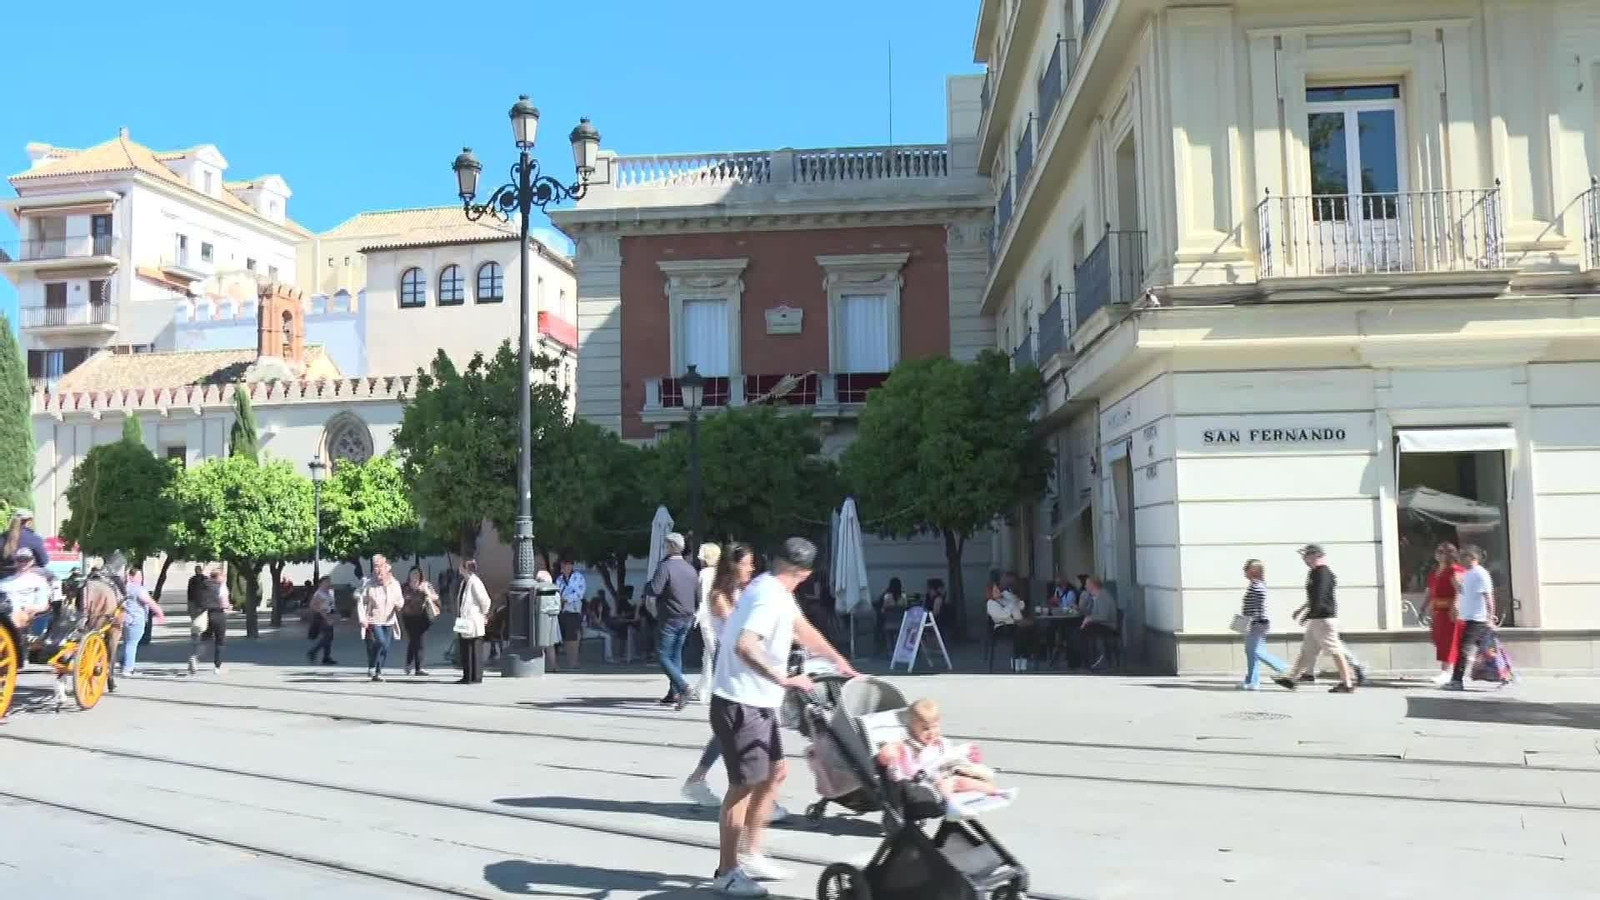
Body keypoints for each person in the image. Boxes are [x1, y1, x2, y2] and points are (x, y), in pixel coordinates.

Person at [709, 538, 856, 897]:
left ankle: (751, 853)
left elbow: (802, 630)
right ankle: (727, 872)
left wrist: (838, 661)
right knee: (743, 787)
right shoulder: (768, 596)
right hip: (740, 702)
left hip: (757, 702)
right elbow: (745, 644)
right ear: (804, 574)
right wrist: (783, 679)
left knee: (775, 773)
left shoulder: (773, 588)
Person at [876, 698, 1013, 808]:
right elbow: (903, 766)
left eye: (935, 727)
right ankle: (951, 804)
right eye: (925, 729)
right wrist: (890, 755)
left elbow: (950, 754)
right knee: (947, 785)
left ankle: (996, 792)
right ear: (913, 727)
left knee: (966, 781)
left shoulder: (939, 742)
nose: (931, 732)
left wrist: (966, 754)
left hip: (948, 773)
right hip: (929, 781)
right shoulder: (909, 746)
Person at [1275, 545, 1356, 693]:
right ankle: (1291, 679)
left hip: (1323, 618)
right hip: (1317, 618)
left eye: (1306, 556)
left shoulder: (1322, 573)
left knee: (1335, 650)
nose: (1304, 559)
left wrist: (1308, 614)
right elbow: (1314, 597)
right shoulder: (1315, 573)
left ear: (1315, 556)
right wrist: (1302, 610)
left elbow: (1321, 596)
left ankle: (1347, 683)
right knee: (1307, 650)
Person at [647, 533, 699, 710]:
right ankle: (674, 692)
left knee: (662, 655)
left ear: (670, 546)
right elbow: (696, 594)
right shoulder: (690, 568)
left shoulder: (665, 566)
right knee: (676, 654)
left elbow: (655, 589)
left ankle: (683, 688)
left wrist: (647, 585)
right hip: (687, 617)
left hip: (670, 616)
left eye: (666, 545)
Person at [1443, 545, 1495, 691]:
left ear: (1473, 557)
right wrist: (1456, 584)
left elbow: (1488, 597)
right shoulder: (1468, 573)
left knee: (1463, 649)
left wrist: (1490, 618)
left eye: (1463, 556)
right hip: (1469, 618)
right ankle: (1506, 674)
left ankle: (1457, 681)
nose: (1460, 560)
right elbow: (1465, 594)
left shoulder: (1480, 574)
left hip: (1477, 620)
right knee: (1488, 649)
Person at [1237, 560, 1288, 690]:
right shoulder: (1254, 585)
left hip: (1257, 623)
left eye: (1246, 568)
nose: (1244, 571)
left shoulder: (1257, 586)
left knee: (1256, 651)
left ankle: (1283, 667)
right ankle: (1252, 681)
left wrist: (1253, 621)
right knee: (1251, 653)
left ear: (1253, 570)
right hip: (1253, 623)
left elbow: (1260, 607)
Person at [357, 554, 404, 682]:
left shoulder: (394, 584)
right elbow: (362, 602)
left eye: (380, 567)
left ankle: (378, 672)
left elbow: (400, 599)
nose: (378, 571)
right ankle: (372, 664)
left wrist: (399, 605)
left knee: (385, 647)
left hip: (389, 620)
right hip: (374, 619)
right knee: (381, 642)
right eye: (375, 567)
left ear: (387, 568)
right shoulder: (369, 584)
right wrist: (362, 618)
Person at [1427, 542, 1465, 685]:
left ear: (1450, 554)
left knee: (1450, 641)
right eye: (1438, 551)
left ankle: (1447, 672)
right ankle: (1448, 671)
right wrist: (1425, 607)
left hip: (1450, 611)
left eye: (1443, 552)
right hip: (1439, 611)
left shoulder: (1455, 570)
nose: (1439, 554)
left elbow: (1459, 590)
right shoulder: (1436, 571)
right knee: (1441, 641)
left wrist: (1455, 606)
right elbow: (1431, 591)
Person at [116, 569, 164, 676]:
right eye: (138, 576)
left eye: (141, 576)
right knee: (132, 644)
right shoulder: (138, 589)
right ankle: (128, 668)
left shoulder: (122, 589)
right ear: (131, 577)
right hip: (136, 620)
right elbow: (149, 602)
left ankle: (123, 662)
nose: (140, 579)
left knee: (127, 642)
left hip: (124, 620)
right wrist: (159, 613)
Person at [693, 542, 723, 702]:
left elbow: (703, 599)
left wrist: (700, 616)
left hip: (708, 618)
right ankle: (703, 688)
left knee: (712, 653)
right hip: (719, 617)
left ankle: (713, 689)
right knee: (709, 654)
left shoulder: (704, 574)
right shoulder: (721, 573)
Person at [186, 566, 229, 675]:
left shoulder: (203, 585)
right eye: (223, 576)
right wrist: (228, 607)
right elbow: (224, 603)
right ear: (219, 576)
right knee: (220, 642)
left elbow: (196, 599)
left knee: (205, 639)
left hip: (205, 615)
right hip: (218, 614)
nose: (224, 578)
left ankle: (195, 657)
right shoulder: (221, 586)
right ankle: (217, 667)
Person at [454, 559, 492, 684]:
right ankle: (467, 676)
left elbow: (485, 601)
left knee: (474, 647)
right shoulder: (464, 582)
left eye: (461, 566)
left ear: (466, 568)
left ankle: (476, 676)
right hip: (463, 619)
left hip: (473, 619)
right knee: (464, 647)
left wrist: (483, 614)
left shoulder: (475, 582)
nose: (459, 568)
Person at [0, 547, 54, 633]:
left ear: (32, 561)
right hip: (5, 611)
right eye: (20, 560)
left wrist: (31, 609)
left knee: (16, 613)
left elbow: (43, 605)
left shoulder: (39, 581)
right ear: (15, 561)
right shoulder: (5, 581)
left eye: (26, 560)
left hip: (25, 615)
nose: (23, 563)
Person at [400, 566, 440, 677]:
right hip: (408, 617)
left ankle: (417, 667)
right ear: (409, 575)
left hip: (422, 617)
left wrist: (426, 592)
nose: (415, 576)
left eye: (417, 574)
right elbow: (398, 599)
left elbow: (436, 598)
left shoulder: (426, 585)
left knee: (418, 641)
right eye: (413, 573)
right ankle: (411, 664)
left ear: (421, 575)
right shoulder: (404, 587)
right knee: (414, 640)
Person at [1079, 577, 1119, 671]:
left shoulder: (1103, 596)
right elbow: (1093, 613)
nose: (1085, 586)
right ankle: (1087, 661)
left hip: (1109, 627)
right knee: (1082, 630)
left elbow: (1104, 616)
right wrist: (1082, 608)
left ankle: (1090, 662)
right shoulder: (1097, 596)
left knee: (1084, 631)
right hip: (1103, 625)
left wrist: (1089, 619)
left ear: (1093, 585)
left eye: (1087, 584)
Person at [556, 559, 588, 670]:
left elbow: (579, 594)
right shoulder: (559, 579)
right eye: (562, 565)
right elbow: (557, 592)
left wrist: (565, 599)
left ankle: (574, 662)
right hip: (562, 611)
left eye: (566, 565)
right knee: (565, 638)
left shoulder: (578, 577)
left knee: (573, 637)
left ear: (571, 566)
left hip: (573, 611)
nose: (564, 567)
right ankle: (569, 661)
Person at [1, 509, 50, 578]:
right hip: (27, 578)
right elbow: (43, 561)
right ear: (29, 522)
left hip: (3, 578)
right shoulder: (34, 538)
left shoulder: (2, 537)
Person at [306, 575, 338, 665]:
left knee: (329, 637)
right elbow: (313, 606)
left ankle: (326, 657)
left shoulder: (331, 592)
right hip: (321, 616)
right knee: (327, 636)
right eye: (326, 582)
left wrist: (334, 615)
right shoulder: (319, 594)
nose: (328, 583)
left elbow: (332, 604)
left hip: (329, 614)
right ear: (321, 584)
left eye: (329, 581)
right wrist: (326, 618)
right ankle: (313, 652)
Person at [875, 577, 905, 655]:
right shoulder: (903, 596)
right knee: (896, 634)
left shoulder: (887, 596)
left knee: (883, 628)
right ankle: (897, 651)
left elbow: (883, 611)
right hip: (899, 623)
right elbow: (905, 608)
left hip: (888, 623)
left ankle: (889, 651)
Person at [581, 593, 615, 663]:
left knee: (606, 634)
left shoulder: (583, 613)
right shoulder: (591, 613)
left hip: (584, 631)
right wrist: (600, 612)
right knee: (607, 636)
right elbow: (598, 623)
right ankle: (609, 657)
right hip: (585, 632)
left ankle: (608, 656)